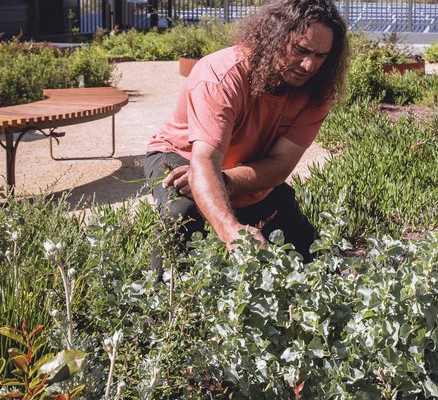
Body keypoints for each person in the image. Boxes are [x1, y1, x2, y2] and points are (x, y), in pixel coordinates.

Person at [144, 0, 349, 278]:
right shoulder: (222, 76)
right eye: (301, 50)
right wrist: (231, 231)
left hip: (242, 163)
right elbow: (204, 160)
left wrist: (225, 183)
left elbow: (279, 165)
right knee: (182, 212)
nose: (309, 64)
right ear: (275, 35)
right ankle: (163, 306)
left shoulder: (318, 90)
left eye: (321, 56)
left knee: (304, 247)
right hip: (181, 155)